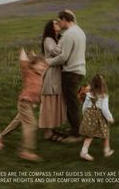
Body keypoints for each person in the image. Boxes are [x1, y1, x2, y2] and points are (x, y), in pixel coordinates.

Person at [0, 48, 48, 161]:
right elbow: (24, 62)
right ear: (32, 65)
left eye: (43, 66)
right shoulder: (28, 72)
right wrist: (23, 50)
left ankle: (1, 136)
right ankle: (26, 151)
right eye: (40, 66)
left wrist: (36, 58)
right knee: (31, 124)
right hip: (24, 103)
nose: (42, 68)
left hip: (30, 104)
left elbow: (42, 66)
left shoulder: (41, 75)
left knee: (16, 122)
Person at [46, 10, 86, 143]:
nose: (59, 23)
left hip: (71, 72)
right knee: (73, 102)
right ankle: (75, 130)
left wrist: (46, 62)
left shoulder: (69, 34)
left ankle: (76, 135)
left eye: (59, 20)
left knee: (71, 104)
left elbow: (63, 57)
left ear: (64, 19)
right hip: (79, 70)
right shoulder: (80, 31)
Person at [39, 20, 67, 140]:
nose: (58, 24)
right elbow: (56, 52)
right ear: (51, 27)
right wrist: (64, 43)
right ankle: (48, 132)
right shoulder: (48, 40)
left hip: (57, 72)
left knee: (56, 100)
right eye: (55, 23)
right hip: (51, 73)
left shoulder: (57, 38)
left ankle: (52, 129)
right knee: (50, 100)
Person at [79, 74, 115, 161]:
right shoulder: (104, 96)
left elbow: (85, 106)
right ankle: (107, 150)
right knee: (105, 133)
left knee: (89, 135)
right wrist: (110, 118)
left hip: (89, 117)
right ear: (103, 85)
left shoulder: (88, 95)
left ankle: (84, 151)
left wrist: (84, 115)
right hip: (99, 118)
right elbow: (104, 109)